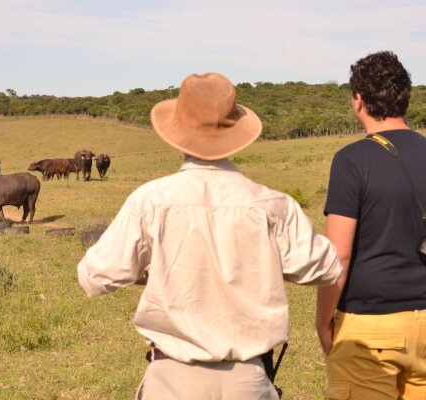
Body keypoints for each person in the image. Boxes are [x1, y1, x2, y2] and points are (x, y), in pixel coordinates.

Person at [77, 73, 342, 399]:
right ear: (236, 133)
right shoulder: (273, 205)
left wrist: (152, 270)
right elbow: (327, 266)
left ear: (176, 133)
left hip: (172, 379)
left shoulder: (150, 201)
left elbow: (93, 276)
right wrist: (263, 262)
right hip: (249, 379)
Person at [316, 51, 426, 399]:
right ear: (404, 98)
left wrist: (323, 320)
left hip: (370, 327)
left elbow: (339, 256)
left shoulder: (351, 160)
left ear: (359, 100)